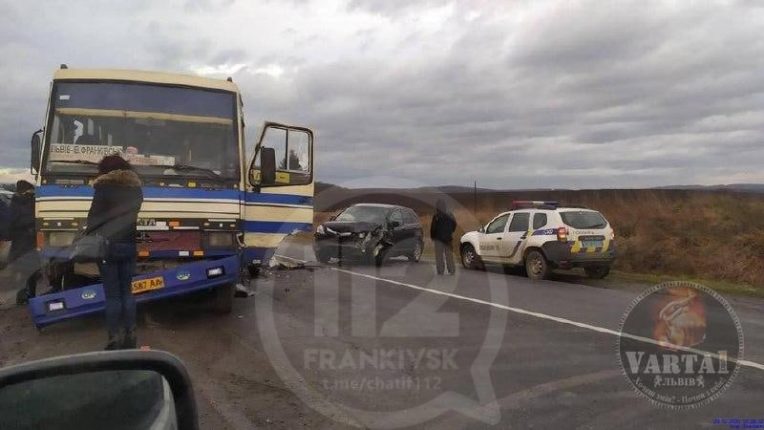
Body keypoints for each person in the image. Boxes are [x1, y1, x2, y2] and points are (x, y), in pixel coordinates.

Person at [86, 155, 143, 350]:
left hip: (107, 247)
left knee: (112, 295)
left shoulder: (103, 189)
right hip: (128, 245)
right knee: (127, 292)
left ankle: (114, 338)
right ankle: (131, 335)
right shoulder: (136, 189)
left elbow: (93, 220)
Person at [8, 180, 38, 285]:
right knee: (23, 258)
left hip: (22, 235)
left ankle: (19, 278)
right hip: (24, 234)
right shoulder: (26, 201)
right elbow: (17, 217)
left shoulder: (17, 201)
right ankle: (21, 280)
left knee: (19, 257)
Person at [430, 199, 457, 275]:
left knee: (439, 256)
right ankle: (451, 270)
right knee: (449, 255)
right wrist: (451, 231)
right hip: (448, 238)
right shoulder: (450, 214)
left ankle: (440, 270)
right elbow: (455, 224)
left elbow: (433, 228)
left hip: (438, 239)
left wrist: (432, 236)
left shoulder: (436, 216)